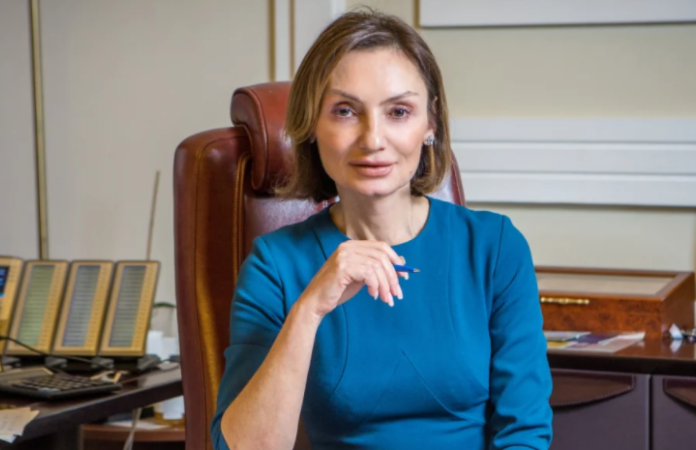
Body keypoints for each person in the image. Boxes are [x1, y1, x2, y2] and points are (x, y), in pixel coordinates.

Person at [212, 9, 552, 450]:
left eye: (399, 111)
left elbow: (524, 433)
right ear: (312, 126)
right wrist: (310, 309)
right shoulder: (275, 266)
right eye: (345, 111)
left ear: (430, 124)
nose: (373, 139)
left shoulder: (494, 248)